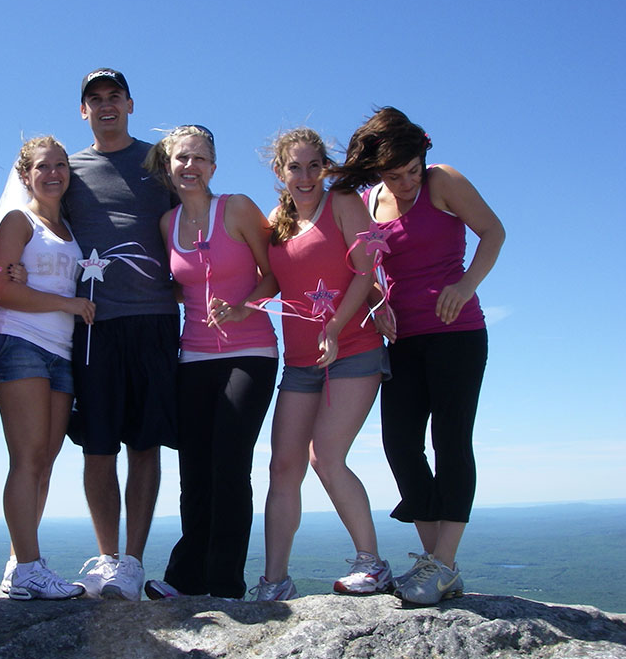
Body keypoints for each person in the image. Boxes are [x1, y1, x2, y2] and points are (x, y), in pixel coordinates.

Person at [329, 107, 505, 605]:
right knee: (400, 444)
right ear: (376, 171)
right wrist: (376, 303)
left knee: (451, 439)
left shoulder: (442, 180)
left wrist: (465, 283)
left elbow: (494, 232)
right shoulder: (367, 200)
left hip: (457, 332)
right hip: (401, 340)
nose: (406, 183)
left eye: (411, 171)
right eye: (394, 175)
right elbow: (365, 272)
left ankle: (442, 564)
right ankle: (438, 563)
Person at [248, 128, 393, 602]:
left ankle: (372, 564)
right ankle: (275, 582)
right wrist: (238, 305)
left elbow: (365, 271)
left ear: (325, 168)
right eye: (295, 166)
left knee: (325, 456)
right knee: (283, 466)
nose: (305, 176)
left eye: (314, 166)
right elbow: (271, 278)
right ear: (279, 172)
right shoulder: (278, 221)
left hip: (352, 349)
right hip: (300, 362)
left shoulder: (344, 202)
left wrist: (334, 327)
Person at [140, 126, 278, 600]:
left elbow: (273, 274)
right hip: (194, 354)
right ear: (168, 167)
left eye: (199, 158)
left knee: (229, 464)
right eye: (181, 158)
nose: (190, 166)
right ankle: (186, 577)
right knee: (194, 468)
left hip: (251, 351)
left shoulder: (236, 208)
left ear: (214, 167)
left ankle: (224, 583)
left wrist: (243, 307)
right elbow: (180, 285)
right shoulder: (167, 224)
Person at [62, 68, 179, 601]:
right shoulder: (69, 169)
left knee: (146, 441)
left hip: (154, 317)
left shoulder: (160, 161)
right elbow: (36, 220)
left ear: (130, 103)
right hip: (92, 322)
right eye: (95, 99)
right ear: (83, 110)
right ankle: (108, 558)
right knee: (97, 445)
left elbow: (194, 221)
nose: (106, 106)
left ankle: (132, 562)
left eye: (115, 97)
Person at [0, 136, 95, 600]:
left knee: (45, 460)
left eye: (61, 166)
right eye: (43, 167)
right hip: (19, 343)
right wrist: (68, 302)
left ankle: (20, 563)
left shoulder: (70, 227)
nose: (54, 174)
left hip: (62, 353)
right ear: (26, 175)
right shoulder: (18, 220)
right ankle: (29, 565)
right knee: (28, 456)